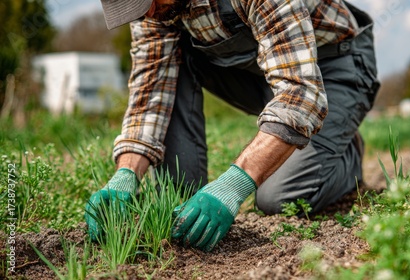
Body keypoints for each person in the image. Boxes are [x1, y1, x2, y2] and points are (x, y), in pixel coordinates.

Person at [85, 0, 380, 252]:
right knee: (175, 197)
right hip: (263, 71)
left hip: (334, 69)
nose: (147, 13)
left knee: (279, 197)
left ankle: (343, 150)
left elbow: (301, 94)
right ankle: (184, 194)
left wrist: (232, 185)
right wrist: (126, 174)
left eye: (149, 2)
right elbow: (152, 91)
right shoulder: (156, 11)